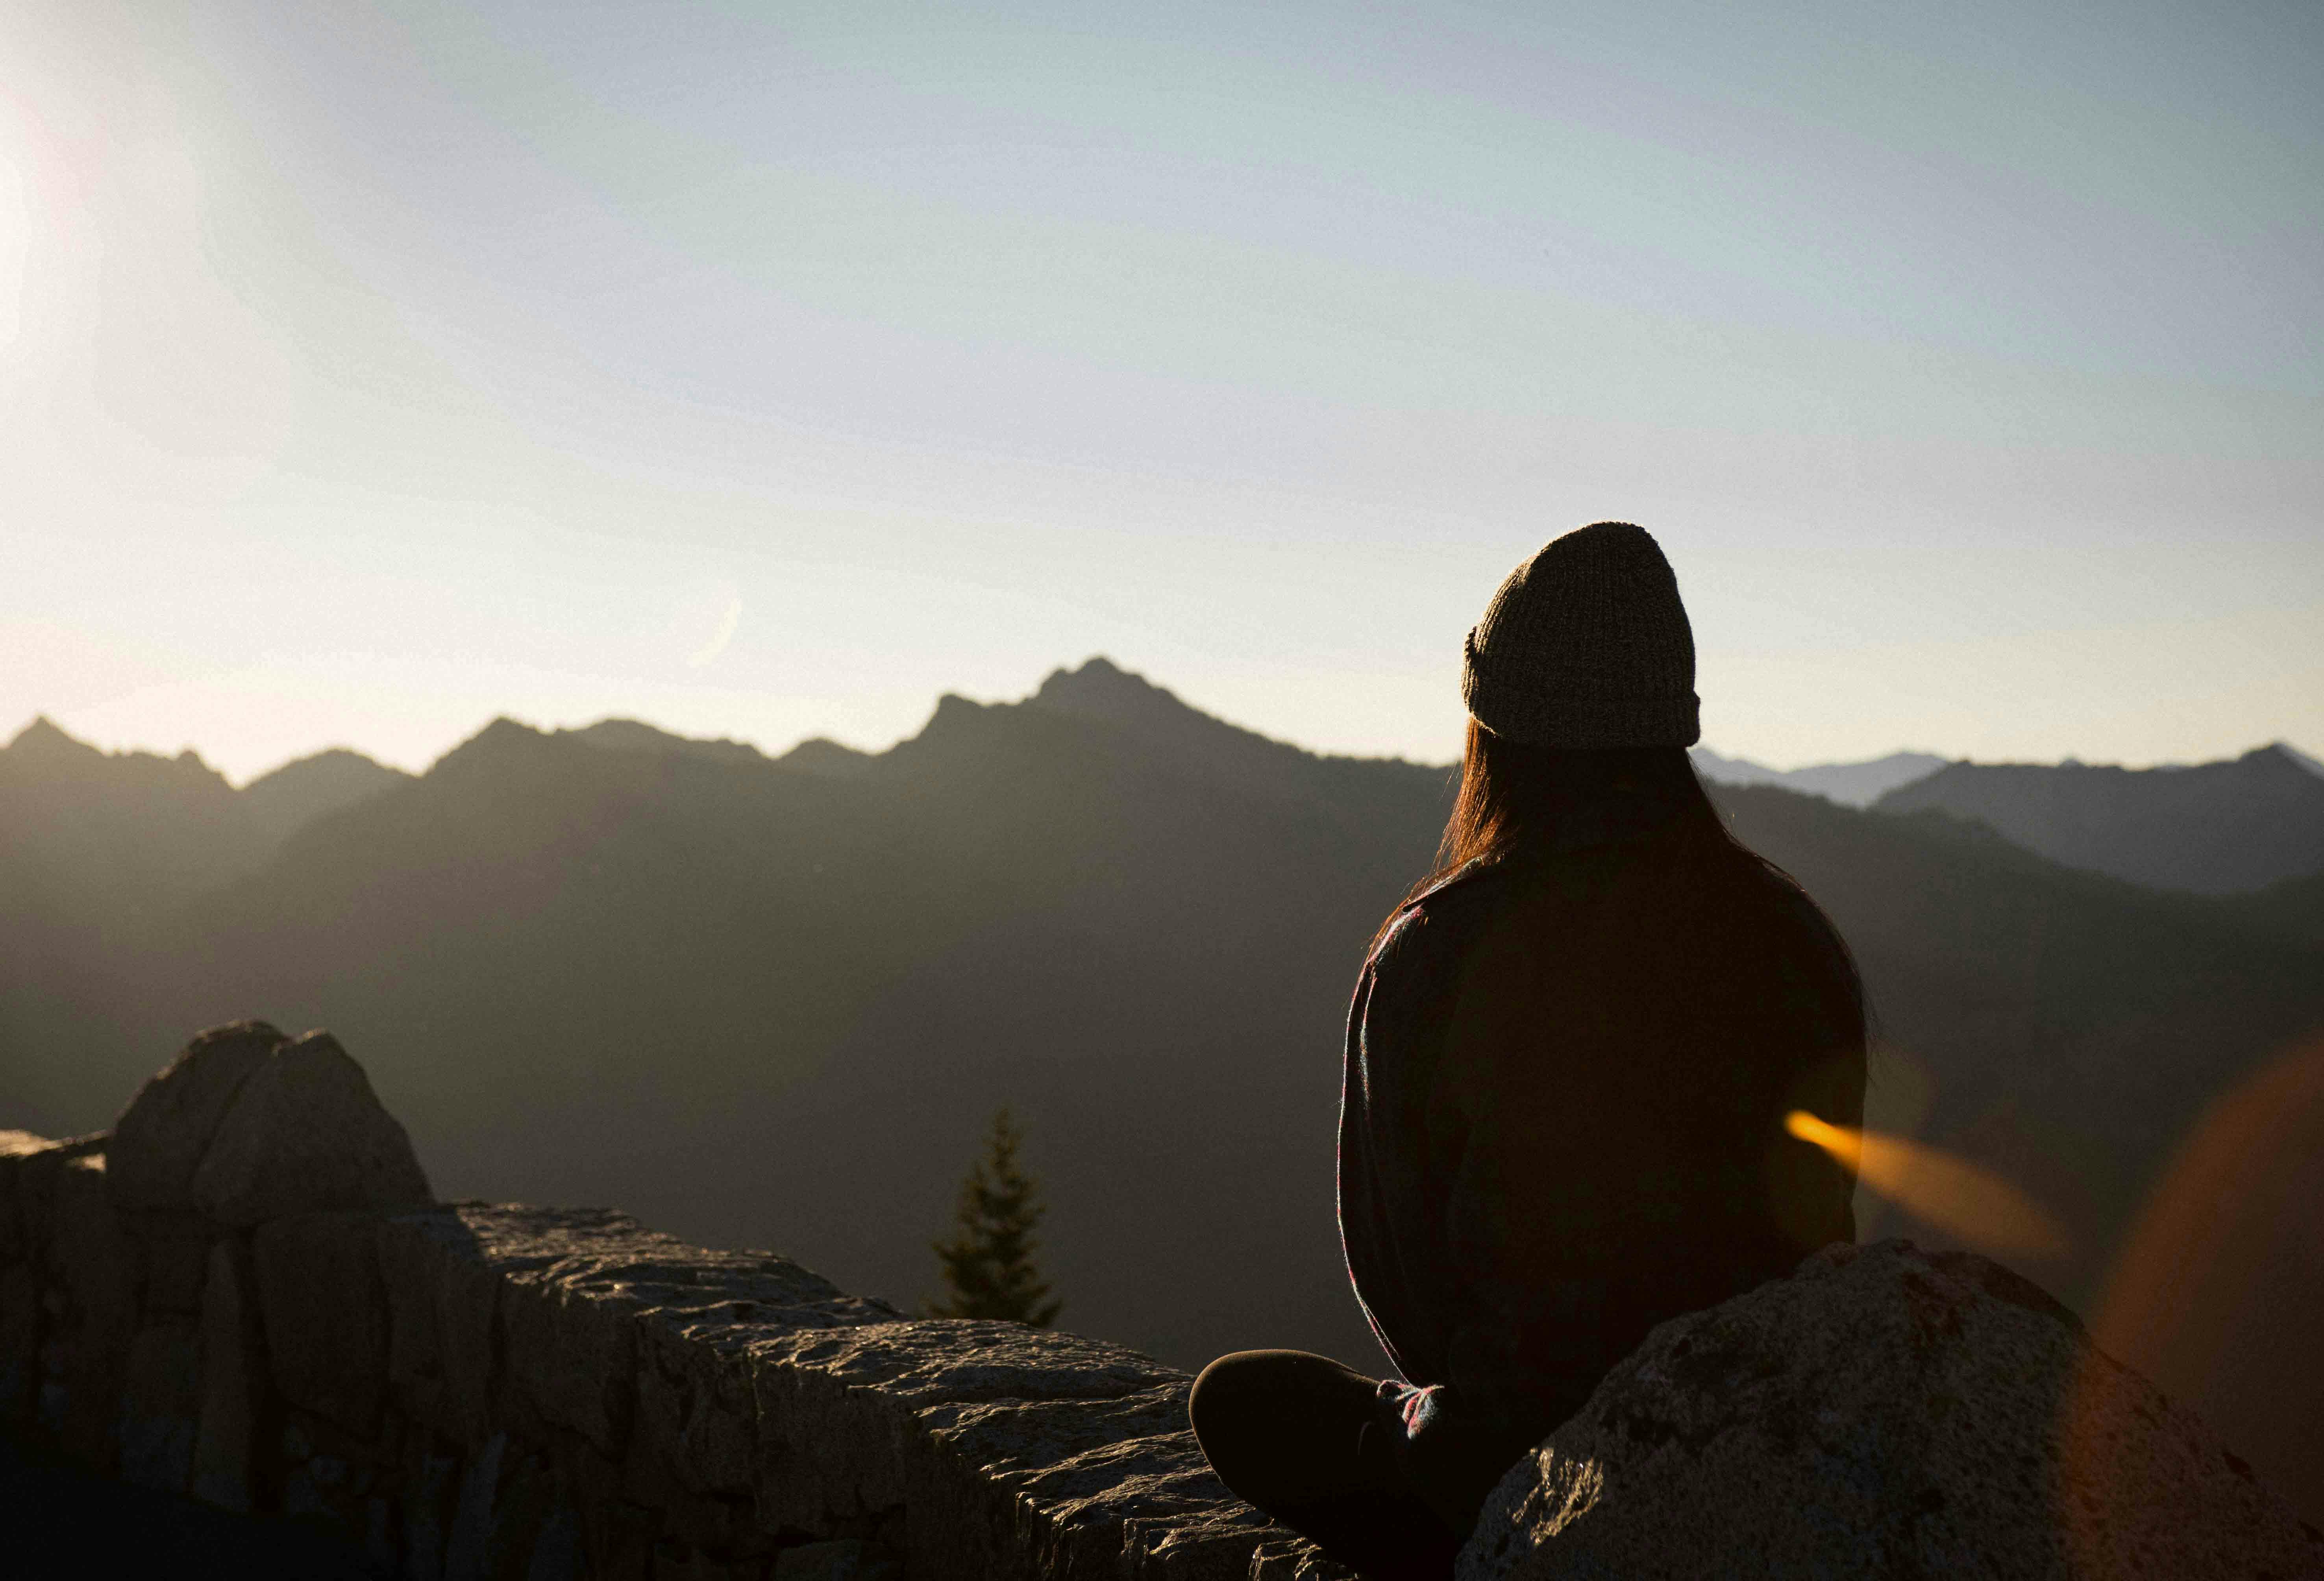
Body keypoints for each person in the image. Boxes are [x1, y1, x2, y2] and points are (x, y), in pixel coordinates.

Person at [1188, 522, 1866, 1576]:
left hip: (1525, 1468)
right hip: (1763, 1441)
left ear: (1493, 729)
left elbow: (1401, 1273)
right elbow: (1821, 1227)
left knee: (1243, 1400)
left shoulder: (1436, 950)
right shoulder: (1789, 940)